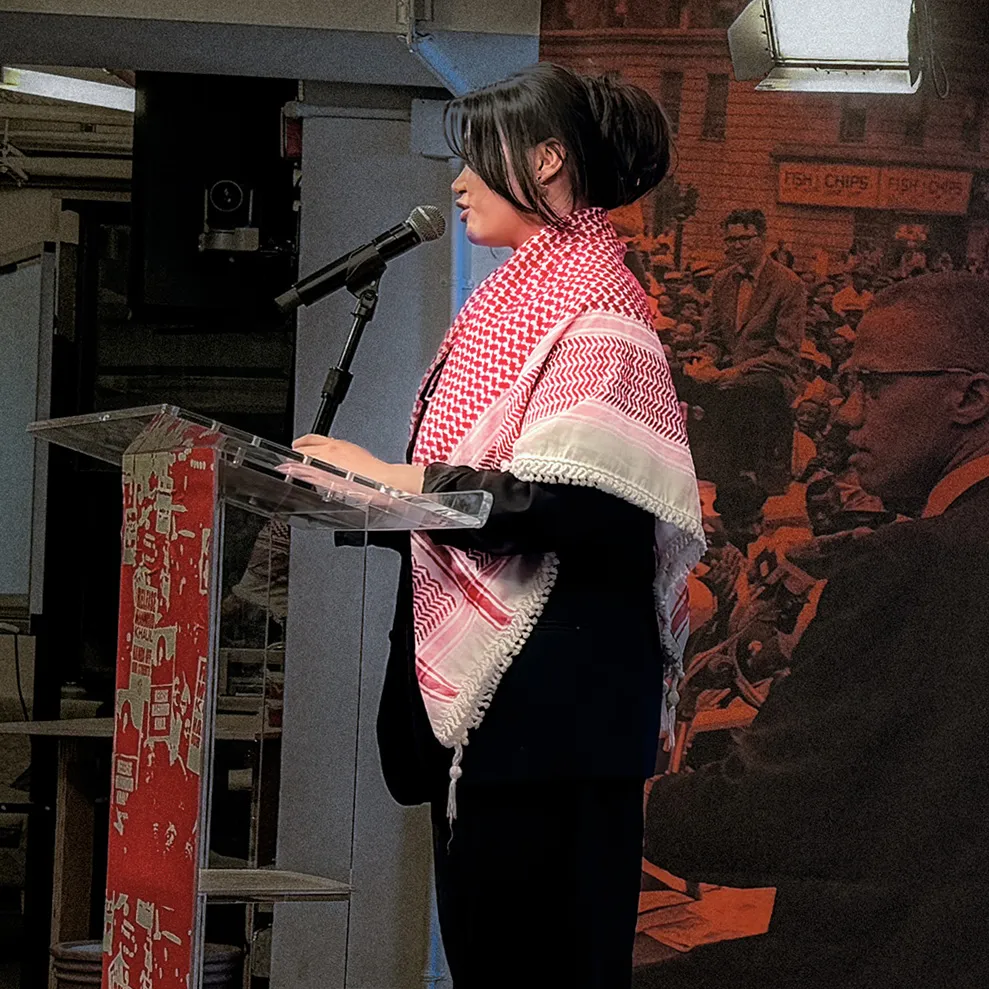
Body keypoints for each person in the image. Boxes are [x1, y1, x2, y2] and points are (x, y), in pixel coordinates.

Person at [289, 63, 704, 988]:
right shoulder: (516, 301)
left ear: (548, 160)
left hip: (550, 725)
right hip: (512, 729)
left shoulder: (599, 314)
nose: (456, 179)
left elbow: (569, 503)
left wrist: (387, 478)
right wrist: (363, 491)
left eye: (475, 156)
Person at [637, 271, 989, 989]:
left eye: (871, 384)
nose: (842, 414)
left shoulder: (911, 564)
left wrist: (609, 797)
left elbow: (764, 814)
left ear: (968, 396)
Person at [680, 208, 806, 489]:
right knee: (674, 377)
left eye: (744, 239)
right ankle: (689, 469)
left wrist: (733, 373)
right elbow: (712, 338)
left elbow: (785, 353)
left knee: (739, 393)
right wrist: (705, 360)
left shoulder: (788, 284)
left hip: (769, 375)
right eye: (730, 240)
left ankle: (740, 477)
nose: (736, 246)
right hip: (727, 371)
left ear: (762, 239)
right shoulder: (722, 280)